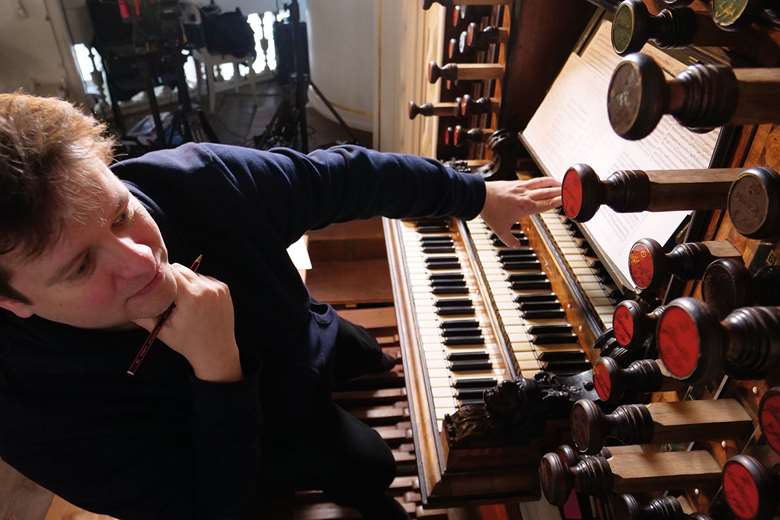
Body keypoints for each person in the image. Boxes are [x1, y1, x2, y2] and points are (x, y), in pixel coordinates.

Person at [0, 93, 561, 519]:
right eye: (79, 267)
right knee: (371, 466)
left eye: (122, 214)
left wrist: (475, 195)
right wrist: (218, 371)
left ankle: (350, 354)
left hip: (298, 336)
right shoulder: (21, 404)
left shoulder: (189, 181)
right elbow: (208, 506)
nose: (142, 261)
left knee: (361, 349)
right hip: (252, 440)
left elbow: (342, 177)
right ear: (11, 301)